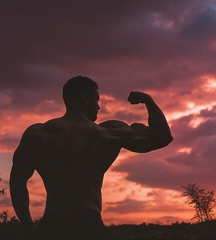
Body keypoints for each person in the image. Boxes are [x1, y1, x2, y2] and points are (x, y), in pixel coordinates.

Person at [9, 76, 173, 239]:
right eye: (96, 99)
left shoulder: (38, 135)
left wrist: (28, 227)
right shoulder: (107, 134)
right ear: (86, 99)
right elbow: (162, 136)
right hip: (89, 222)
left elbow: (17, 182)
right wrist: (148, 101)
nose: (99, 106)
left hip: (53, 223)